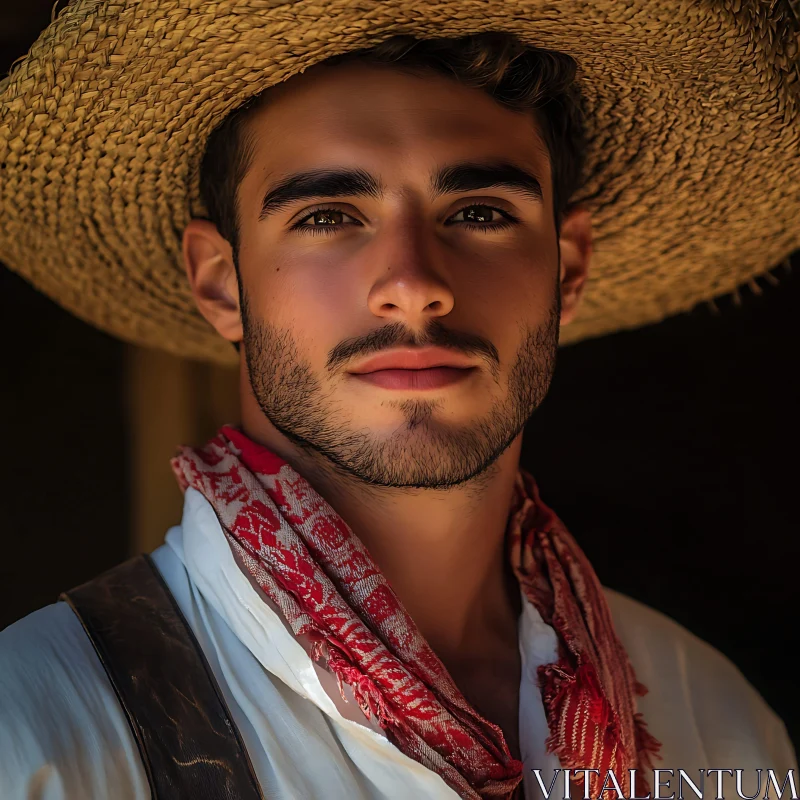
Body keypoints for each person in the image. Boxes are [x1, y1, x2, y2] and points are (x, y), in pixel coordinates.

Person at [0, 2, 798, 799]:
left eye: (480, 213)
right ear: (219, 281)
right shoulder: (38, 735)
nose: (413, 285)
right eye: (329, 216)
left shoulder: (717, 720)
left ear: (568, 269)